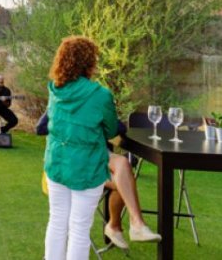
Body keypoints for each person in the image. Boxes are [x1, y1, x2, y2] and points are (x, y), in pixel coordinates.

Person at [43, 36, 119, 260]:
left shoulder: (55, 90)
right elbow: (111, 129)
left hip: (56, 164)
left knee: (57, 221)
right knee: (79, 229)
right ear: (89, 62)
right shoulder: (100, 95)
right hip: (86, 168)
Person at [37, 114, 161, 250]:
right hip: (71, 167)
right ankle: (116, 225)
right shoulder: (61, 103)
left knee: (123, 171)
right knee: (122, 183)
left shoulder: (98, 104)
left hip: (98, 159)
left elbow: (119, 127)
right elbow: (40, 128)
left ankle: (133, 224)